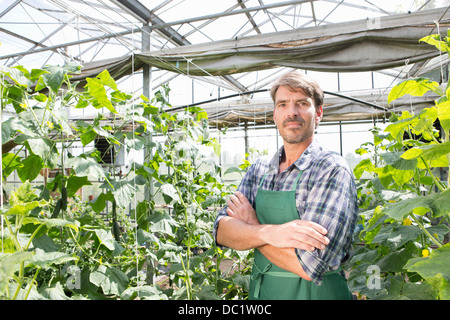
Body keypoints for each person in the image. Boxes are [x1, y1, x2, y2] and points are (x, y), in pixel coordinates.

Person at [213, 70, 358, 300]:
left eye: (301, 103)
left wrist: (251, 224)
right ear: (274, 114)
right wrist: (272, 232)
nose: (292, 112)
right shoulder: (259, 170)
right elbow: (221, 231)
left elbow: (309, 266)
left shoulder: (330, 169)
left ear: (318, 113)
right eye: (283, 104)